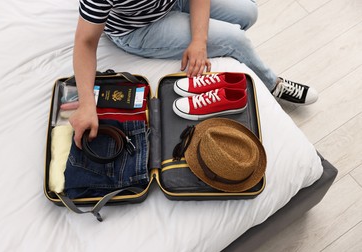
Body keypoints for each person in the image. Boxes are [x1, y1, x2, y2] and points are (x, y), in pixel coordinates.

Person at [70, 0, 318, 148]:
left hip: (172, 3)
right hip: (140, 28)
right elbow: (85, 42)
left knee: (248, 12)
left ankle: (222, 50)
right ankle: (273, 85)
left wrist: (200, 40)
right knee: (236, 41)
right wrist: (87, 103)